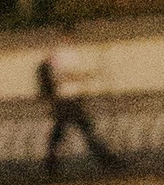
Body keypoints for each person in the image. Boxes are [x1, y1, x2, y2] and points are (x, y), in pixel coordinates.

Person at [38, 42, 120, 175]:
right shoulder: (55, 62)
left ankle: (50, 163)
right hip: (68, 102)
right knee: (85, 131)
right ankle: (106, 160)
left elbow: (54, 83)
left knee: (61, 133)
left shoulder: (48, 65)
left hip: (64, 103)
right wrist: (88, 76)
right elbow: (64, 77)